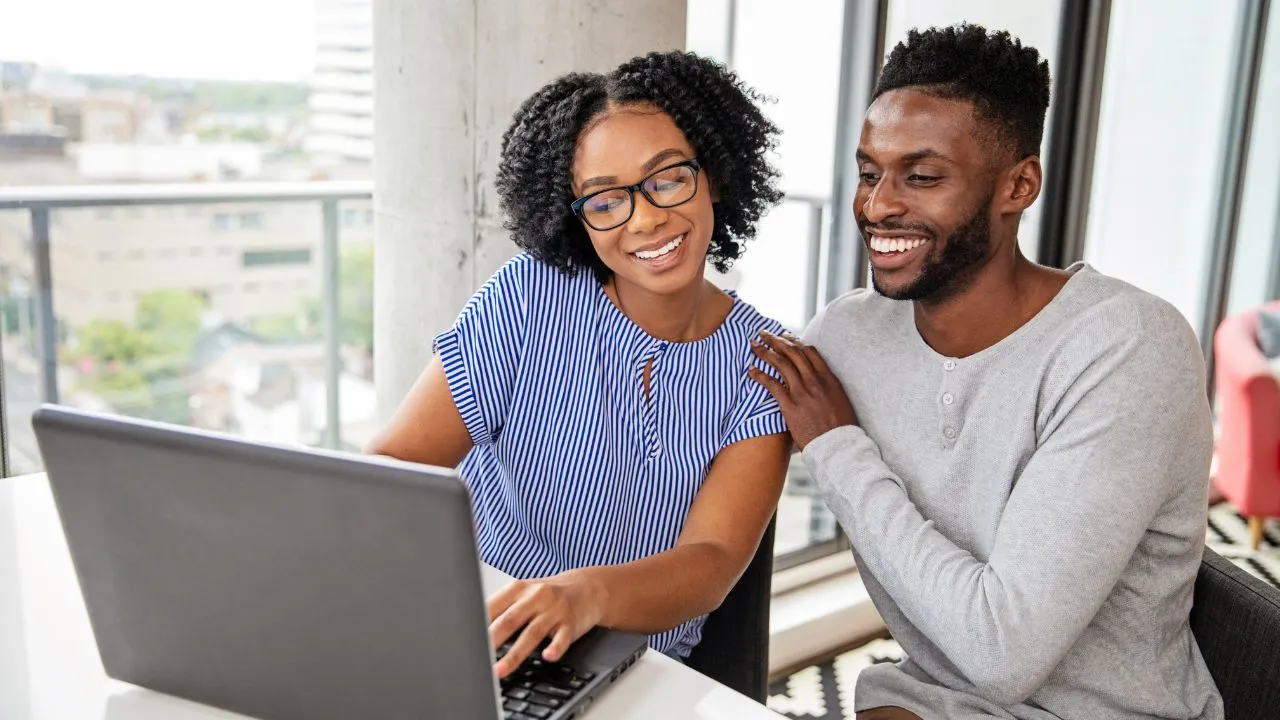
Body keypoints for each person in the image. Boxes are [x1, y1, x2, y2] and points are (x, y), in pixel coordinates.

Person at [750, 24, 1224, 720]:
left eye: (923, 176)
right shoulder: (847, 338)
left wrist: (838, 445)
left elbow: (1002, 655)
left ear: (1018, 185)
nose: (878, 206)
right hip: (935, 700)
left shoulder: (1128, 349)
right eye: (869, 171)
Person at [368, 51, 791, 677]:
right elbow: (394, 468)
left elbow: (712, 561)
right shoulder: (529, 295)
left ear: (716, 175)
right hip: (479, 631)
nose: (644, 218)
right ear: (579, 220)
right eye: (603, 200)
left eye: (668, 178)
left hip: (631, 665)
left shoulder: (766, 363)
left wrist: (586, 595)